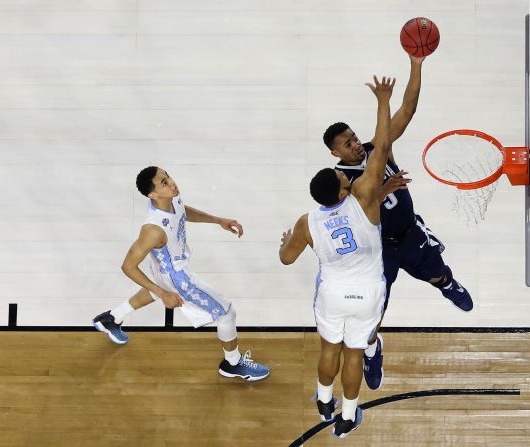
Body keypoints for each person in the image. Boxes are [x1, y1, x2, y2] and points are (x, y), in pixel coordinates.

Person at [323, 55, 473, 392]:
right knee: (372, 315)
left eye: (354, 137)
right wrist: (384, 189)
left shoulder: (379, 149)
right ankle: (373, 349)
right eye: (347, 144)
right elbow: (353, 215)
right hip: (376, 251)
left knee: (437, 272)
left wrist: (416, 63)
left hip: (409, 234)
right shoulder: (339, 179)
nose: (356, 144)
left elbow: (407, 110)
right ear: (336, 154)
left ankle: (447, 284)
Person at [279, 75, 395, 438]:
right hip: (367, 294)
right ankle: (347, 415)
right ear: (343, 186)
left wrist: (287, 240)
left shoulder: (307, 221)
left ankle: (324, 400)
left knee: (331, 347)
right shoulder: (363, 198)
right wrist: (382, 100)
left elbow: (285, 258)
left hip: (332, 293)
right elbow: (384, 144)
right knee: (355, 353)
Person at [92, 167, 270, 381]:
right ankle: (232, 363)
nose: (172, 183)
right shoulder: (153, 230)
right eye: (164, 183)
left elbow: (183, 212)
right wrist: (164, 292)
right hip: (179, 279)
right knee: (226, 313)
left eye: (168, 177)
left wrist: (218, 220)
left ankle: (113, 318)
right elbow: (128, 266)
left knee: (158, 288)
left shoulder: (172, 198)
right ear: (153, 195)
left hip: (164, 268)